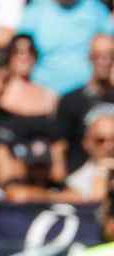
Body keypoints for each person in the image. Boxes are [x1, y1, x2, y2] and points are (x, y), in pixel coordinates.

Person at [15, 0, 114, 96]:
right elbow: (19, 51)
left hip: (86, 95)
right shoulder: (36, 10)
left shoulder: (95, 9)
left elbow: (108, 44)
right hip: (42, 94)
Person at [57, 35, 114, 171]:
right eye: (99, 56)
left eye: (110, 55)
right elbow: (59, 146)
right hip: (81, 177)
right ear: (90, 58)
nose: (105, 61)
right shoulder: (71, 100)